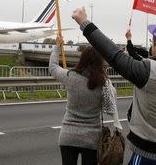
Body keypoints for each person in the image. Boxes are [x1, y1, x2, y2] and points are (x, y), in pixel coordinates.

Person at [71, 7, 156, 165]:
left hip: (148, 156)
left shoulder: (148, 71)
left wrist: (84, 23)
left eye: (152, 41)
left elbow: (113, 54)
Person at [49, 34, 121, 165]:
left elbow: (53, 68)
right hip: (91, 139)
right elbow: (112, 101)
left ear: (82, 59)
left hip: (68, 136)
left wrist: (57, 47)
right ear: (100, 62)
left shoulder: (70, 76)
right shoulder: (104, 84)